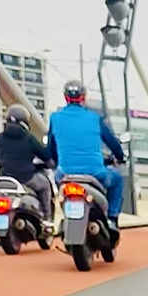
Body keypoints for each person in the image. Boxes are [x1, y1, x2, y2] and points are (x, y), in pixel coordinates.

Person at [47, 82, 125, 231]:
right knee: (117, 179)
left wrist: (57, 162)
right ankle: (112, 219)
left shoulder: (55, 118)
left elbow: (51, 147)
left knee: (58, 182)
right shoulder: (94, 118)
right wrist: (120, 157)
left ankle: (68, 214)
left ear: (65, 97)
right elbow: (112, 142)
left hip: (65, 173)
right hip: (95, 173)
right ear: (84, 97)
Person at [0, 105, 55, 226]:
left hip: (5, 179)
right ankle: (47, 218)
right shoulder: (28, 138)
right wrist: (49, 161)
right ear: (24, 121)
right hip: (26, 178)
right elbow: (45, 155)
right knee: (45, 186)